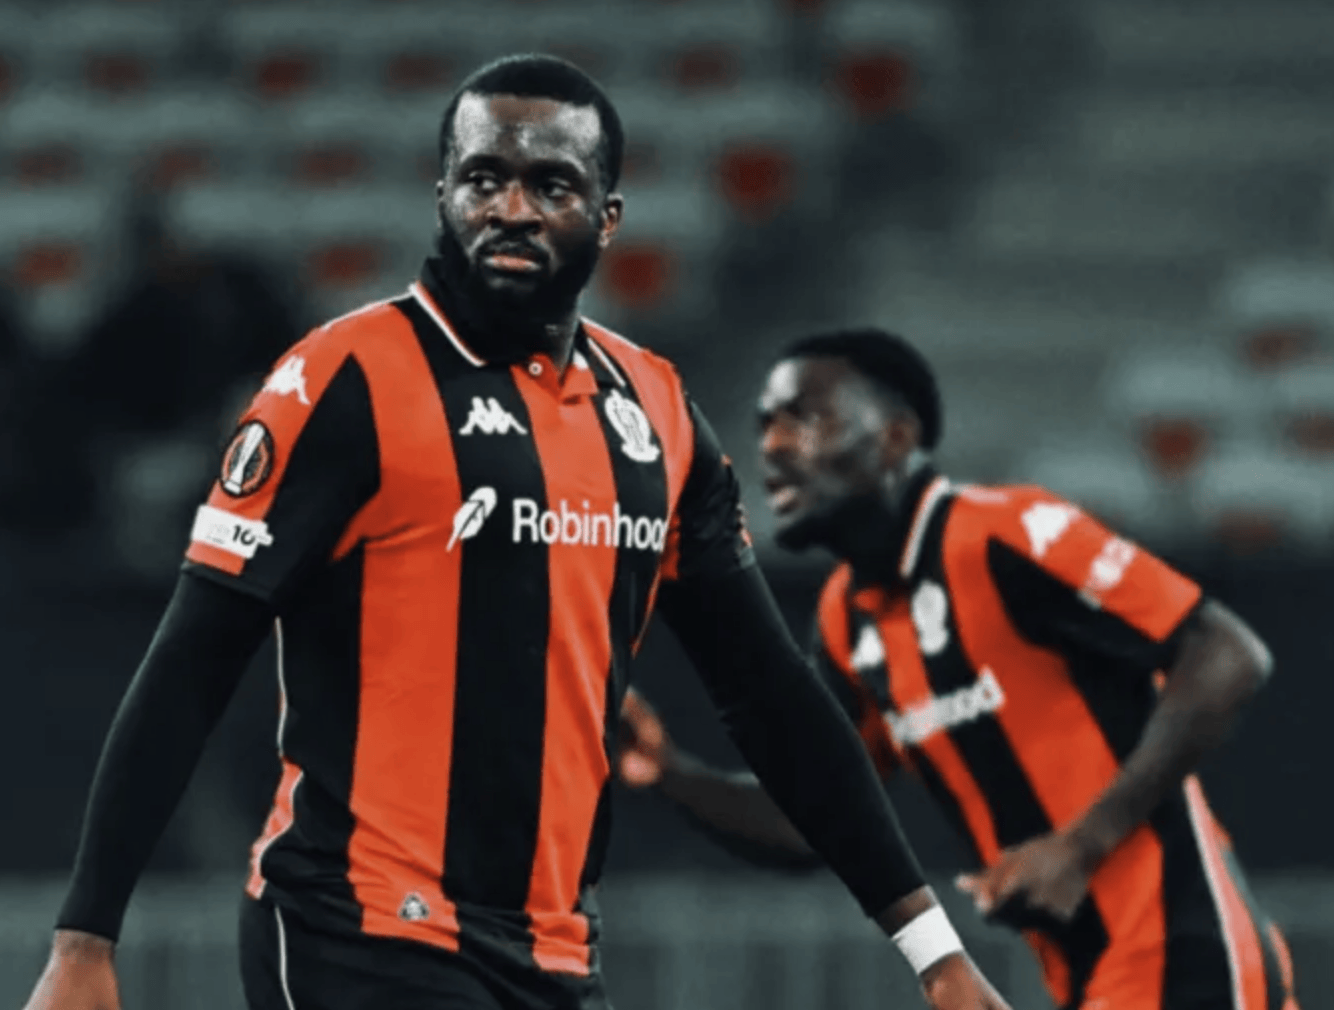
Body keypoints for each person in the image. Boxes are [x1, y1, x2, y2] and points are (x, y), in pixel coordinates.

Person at [22, 58, 1009, 1010]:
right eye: (484, 178)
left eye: (552, 184)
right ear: (441, 195)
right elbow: (193, 658)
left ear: (608, 216)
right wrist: (84, 939)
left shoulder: (657, 412)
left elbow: (770, 695)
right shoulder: (344, 379)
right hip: (354, 928)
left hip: (551, 953)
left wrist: (935, 954)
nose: (512, 208)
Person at [617, 328, 1302, 1010]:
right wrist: (669, 773)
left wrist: (1080, 846)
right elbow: (814, 818)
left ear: (895, 438)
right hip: (1089, 982)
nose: (773, 445)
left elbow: (1227, 652)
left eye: (805, 417)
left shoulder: (1005, 533)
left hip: (1189, 957)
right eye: (766, 424)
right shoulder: (846, 619)